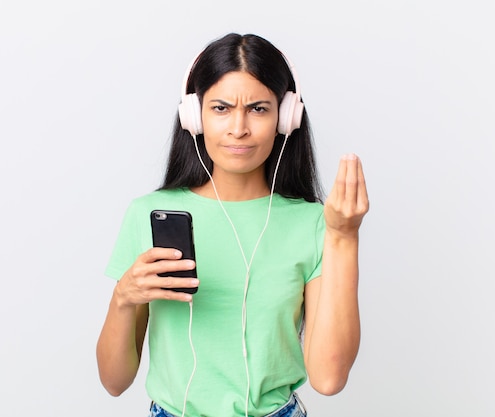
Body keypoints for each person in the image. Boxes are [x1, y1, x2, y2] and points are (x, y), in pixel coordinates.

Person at [96, 33, 369, 417]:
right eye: (221, 108)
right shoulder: (147, 213)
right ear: (194, 116)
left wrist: (344, 236)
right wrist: (124, 298)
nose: (238, 128)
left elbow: (328, 378)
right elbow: (114, 381)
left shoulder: (313, 224)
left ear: (285, 117)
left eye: (258, 109)